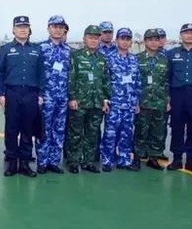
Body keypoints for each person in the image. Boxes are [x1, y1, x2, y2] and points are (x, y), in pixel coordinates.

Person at [0, 16, 44, 178]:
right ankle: (12, 162)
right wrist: (2, 94)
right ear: (13, 30)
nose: (22, 29)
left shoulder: (37, 50)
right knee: (11, 128)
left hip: (31, 93)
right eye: (19, 27)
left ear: (29, 30)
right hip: (12, 93)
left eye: (25, 26)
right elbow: (0, 73)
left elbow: (41, 73)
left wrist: (40, 94)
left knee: (27, 128)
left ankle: (24, 162)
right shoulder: (6, 49)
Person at [66, 25, 111, 174]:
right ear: (84, 38)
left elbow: (106, 81)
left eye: (96, 38)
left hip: (96, 102)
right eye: (90, 37)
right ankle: (74, 160)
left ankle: (89, 161)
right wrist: (72, 97)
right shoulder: (76, 56)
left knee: (92, 133)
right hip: (79, 102)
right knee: (76, 133)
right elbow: (71, 78)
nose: (93, 40)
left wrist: (105, 99)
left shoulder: (102, 59)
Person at [100, 28, 141, 172]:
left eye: (128, 39)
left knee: (126, 133)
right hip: (114, 103)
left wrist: (136, 102)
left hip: (129, 104)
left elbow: (137, 82)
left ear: (130, 42)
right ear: (116, 40)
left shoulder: (134, 59)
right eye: (122, 38)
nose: (125, 42)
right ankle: (107, 160)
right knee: (110, 133)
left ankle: (124, 160)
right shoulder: (109, 59)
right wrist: (105, 100)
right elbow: (105, 81)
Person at [37, 15, 71, 174]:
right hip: (45, 97)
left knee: (58, 131)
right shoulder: (40, 48)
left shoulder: (68, 51)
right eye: (54, 27)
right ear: (48, 28)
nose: (57, 30)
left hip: (62, 98)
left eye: (60, 27)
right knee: (44, 130)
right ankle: (42, 162)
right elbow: (35, 73)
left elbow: (72, 75)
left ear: (64, 30)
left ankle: (53, 161)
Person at [134, 28, 170, 170]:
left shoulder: (164, 59)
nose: (154, 42)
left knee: (158, 131)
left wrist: (168, 100)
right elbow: (134, 81)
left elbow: (166, 81)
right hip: (143, 101)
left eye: (156, 39)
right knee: (141, 130)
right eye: (150, 40)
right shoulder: (137, 59)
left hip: (159, 101)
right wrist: (135, 100)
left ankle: (154, 157)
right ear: (145, 41)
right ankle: (137, 156)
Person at [167, 22, 192, 171]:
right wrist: (168, 98)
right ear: (181, 35)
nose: (189, 35)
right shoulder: (172, 53)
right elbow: (167, 77)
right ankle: (176, 158)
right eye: (186, 32)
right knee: (176, 126)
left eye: (191, 32)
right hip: (177, 94)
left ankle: (190, 159)